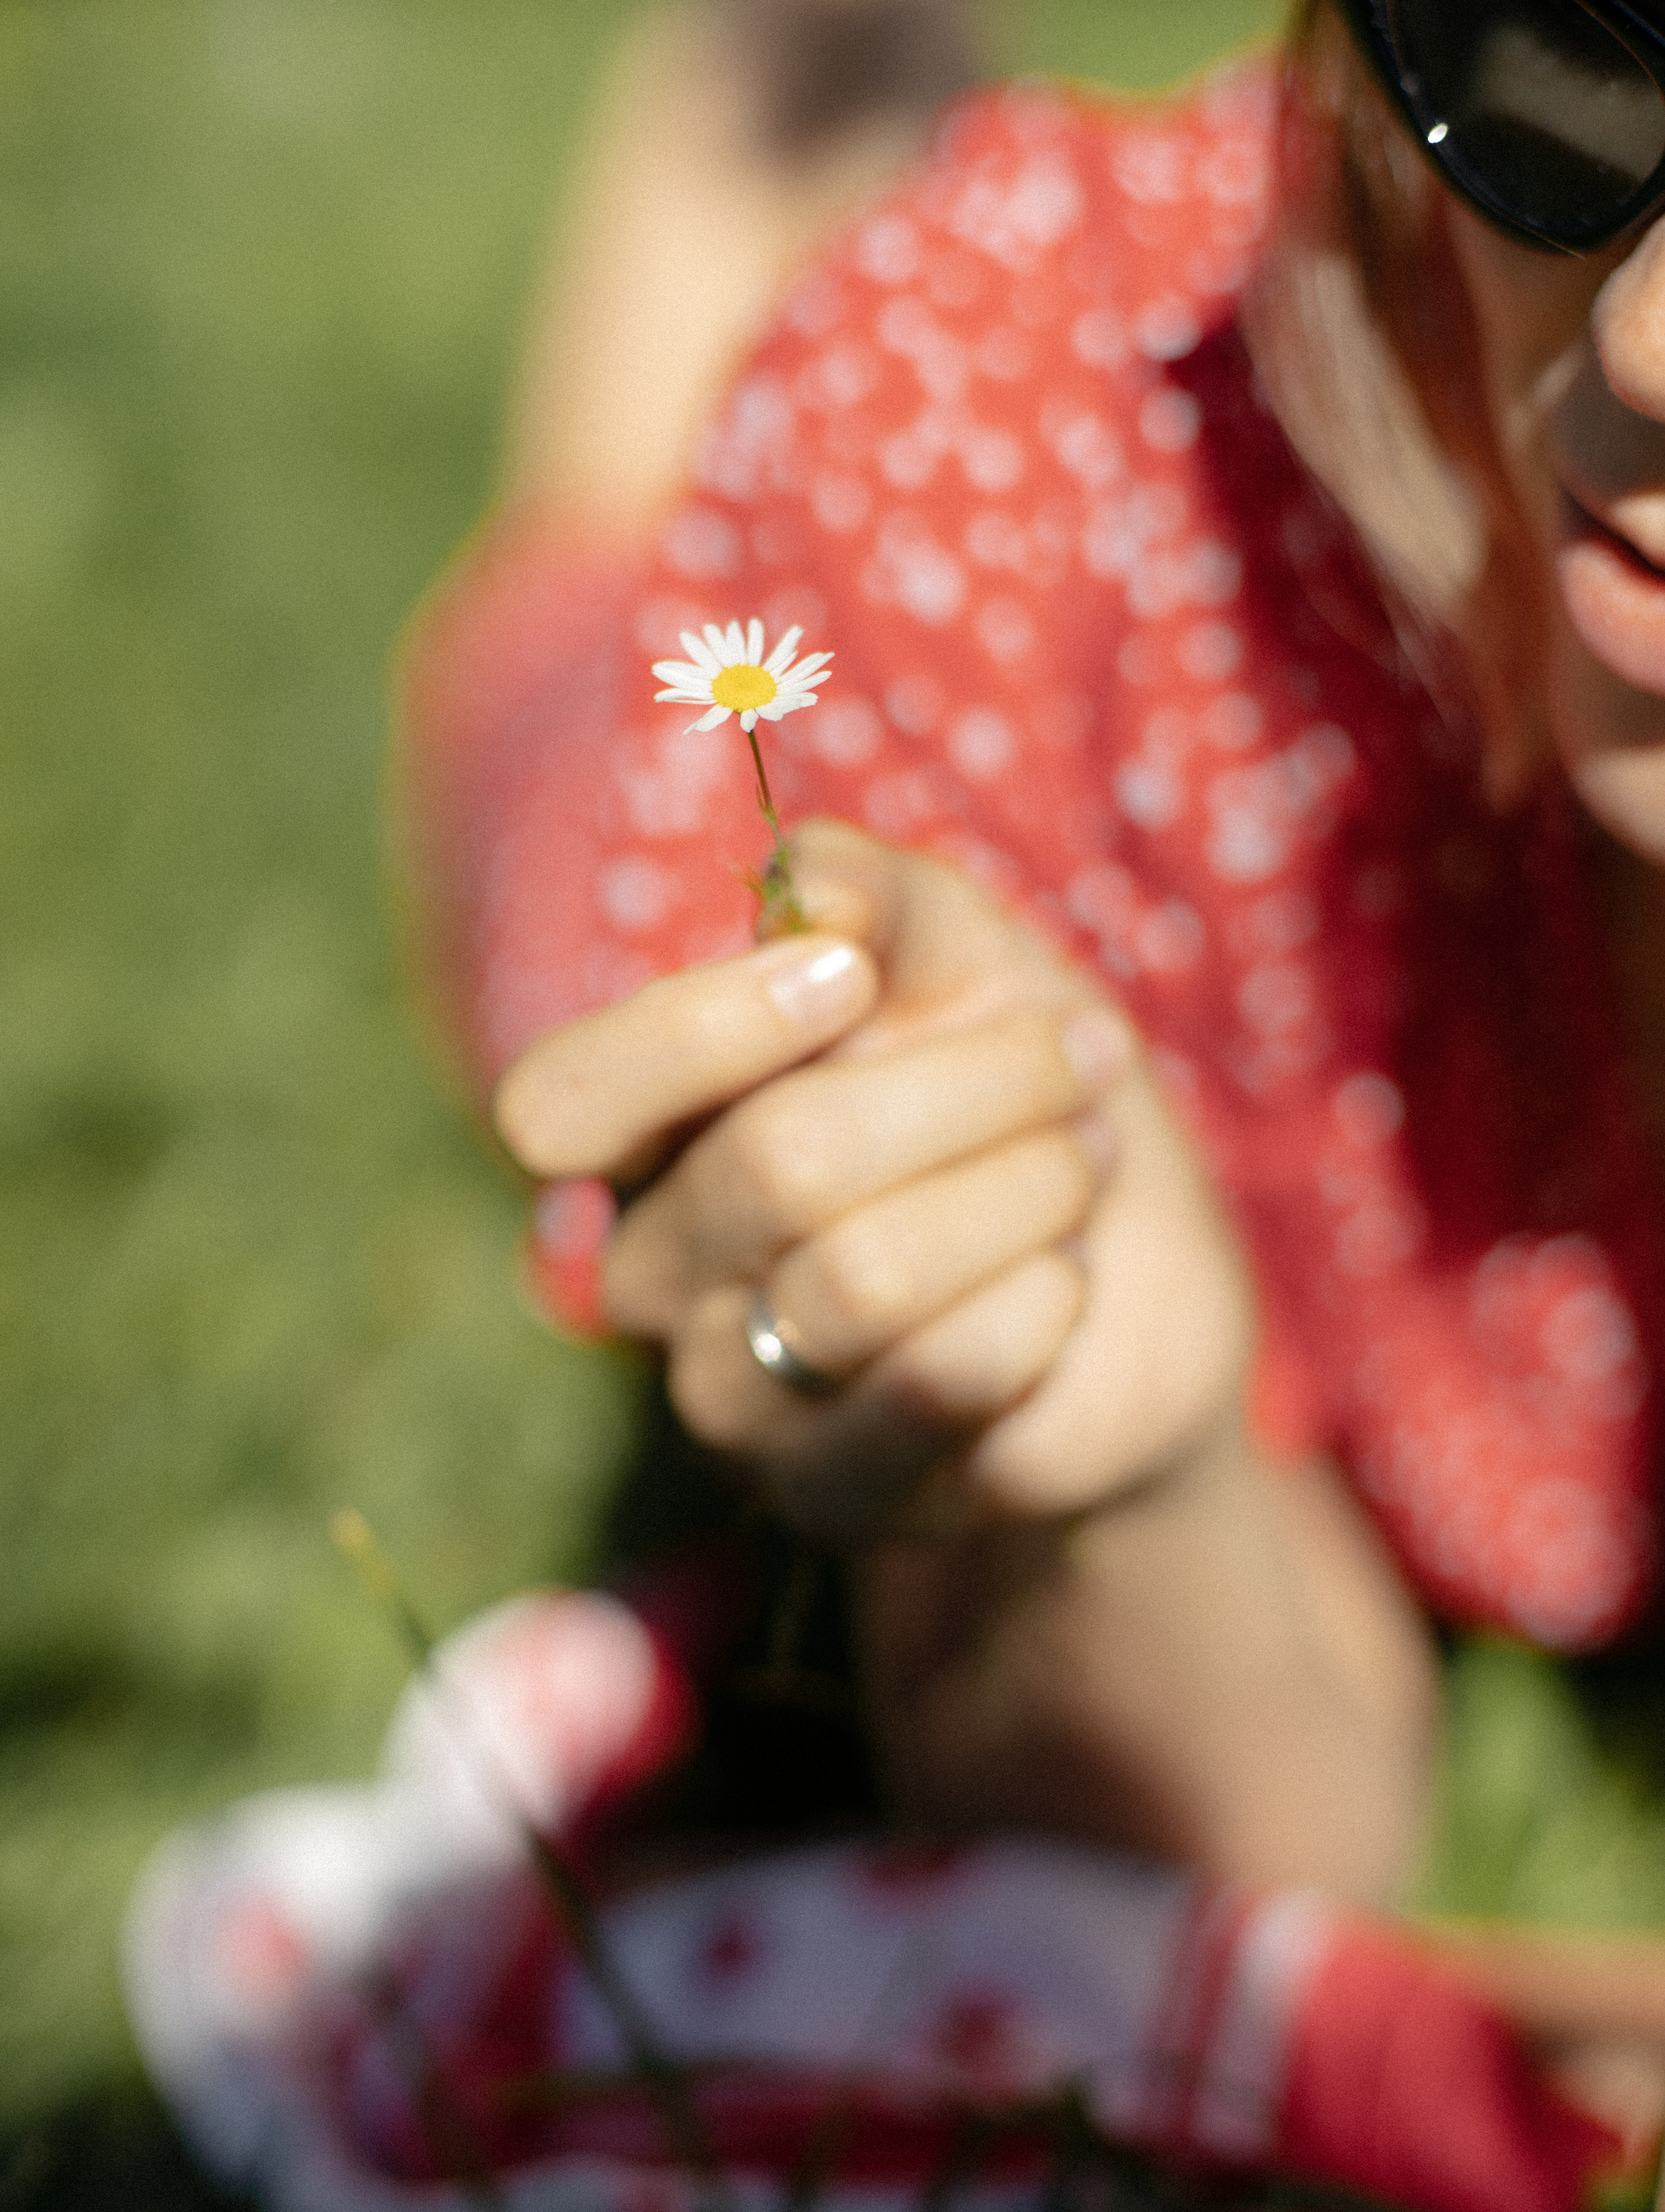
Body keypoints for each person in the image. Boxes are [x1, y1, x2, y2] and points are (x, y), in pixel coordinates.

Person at [127, 2, 1665, 2205]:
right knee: (571, 758)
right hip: (1136, 622)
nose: (1652, 340)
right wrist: (1094, 1464)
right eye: (1582, 30)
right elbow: (1250, 1832)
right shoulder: (1023, 473)